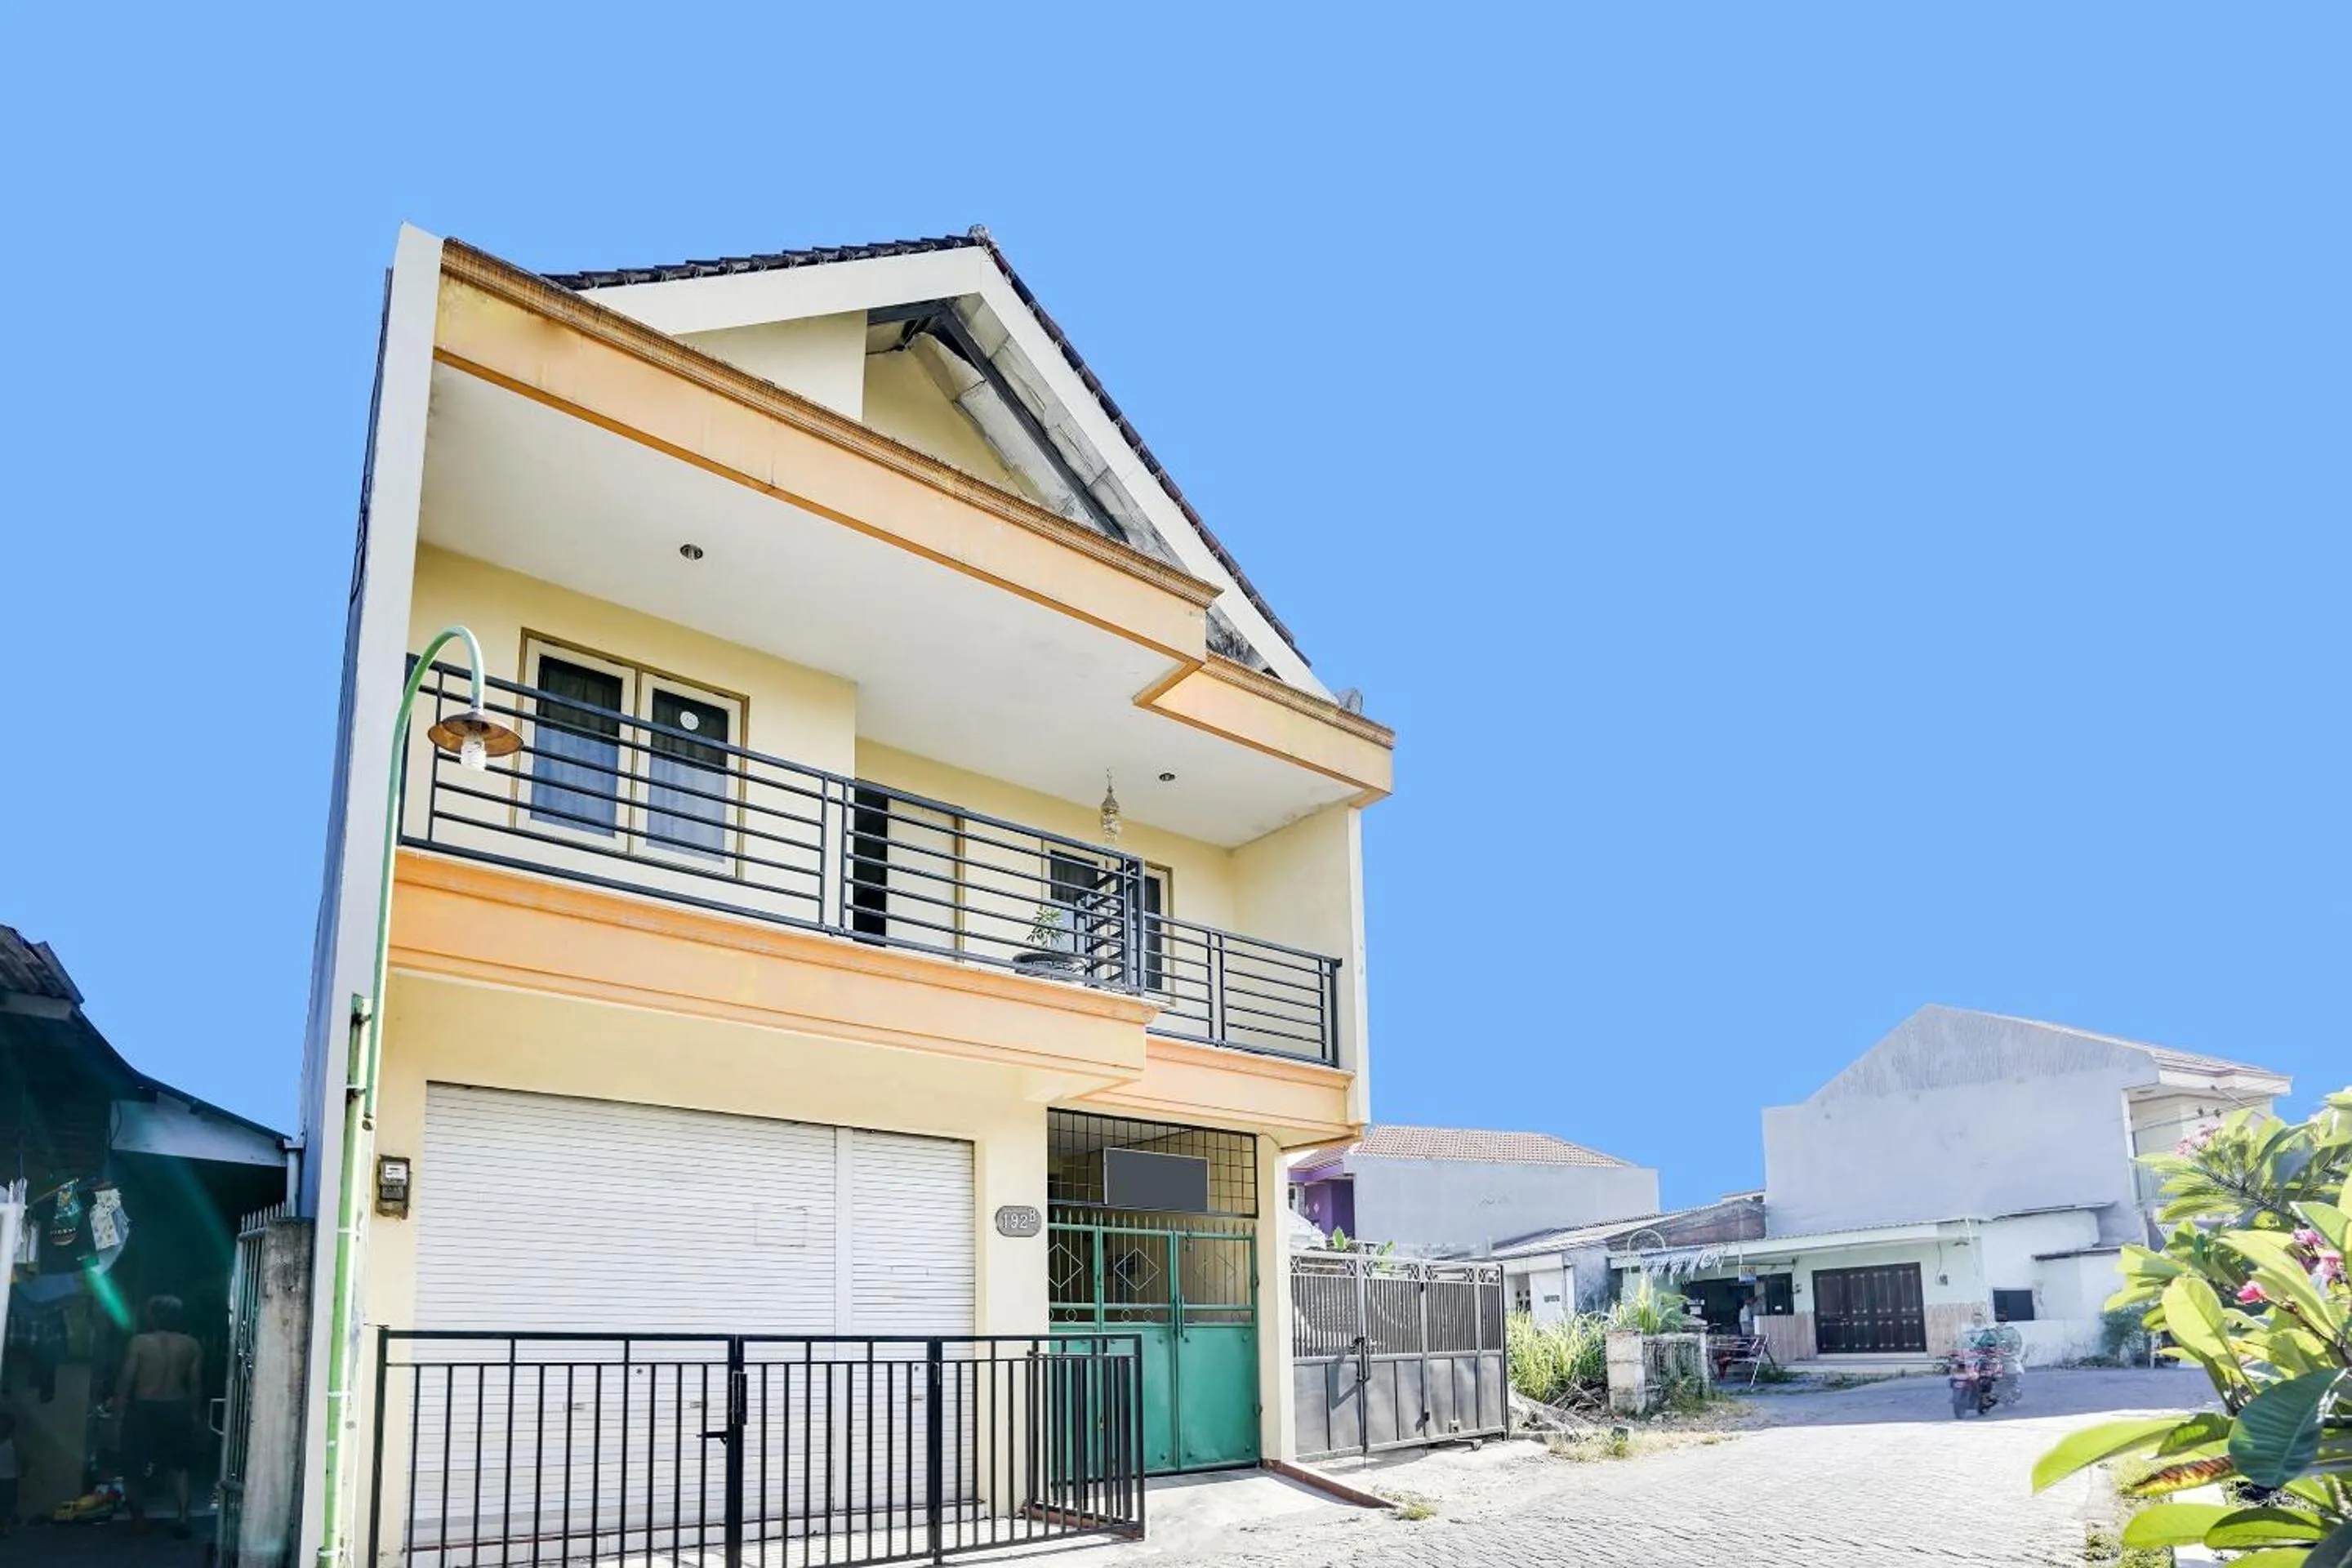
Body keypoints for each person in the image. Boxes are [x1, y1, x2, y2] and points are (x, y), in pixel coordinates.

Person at [114, 1296, 203, 1538]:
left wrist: (118, 1411)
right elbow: (195, 1384)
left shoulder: (139, 1342)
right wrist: (194, 1414)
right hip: (176, 1406)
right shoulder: (191, 1345)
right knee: (179, 1466)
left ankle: (139, 1519)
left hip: (144, 1407)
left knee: (135, 1465)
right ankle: (184, 1518)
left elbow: (126, 1379)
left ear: (152, 1315)